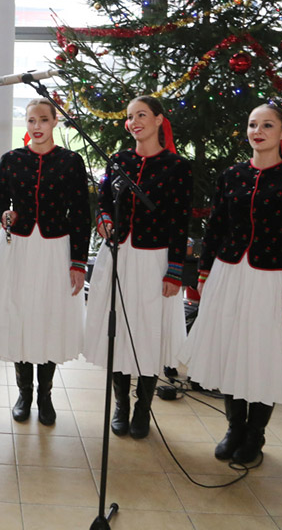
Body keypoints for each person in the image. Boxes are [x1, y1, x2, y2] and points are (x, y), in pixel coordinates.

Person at [180, 104, 282, 466]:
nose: (258, 131)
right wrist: (205, 273)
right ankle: (233, 429)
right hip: (229, 274)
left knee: (262, 354)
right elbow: (216, 228)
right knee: (232, 351)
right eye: (253, 124)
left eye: (267, 125)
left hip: (272, 279)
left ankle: (255, 434)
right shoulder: (232, 176)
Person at [83, 96, 192, 440]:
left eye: (142, 115)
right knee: (117, 330)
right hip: (118, 255)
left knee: (147, 332)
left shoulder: (177, 167)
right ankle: (121, 405)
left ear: (159, 120)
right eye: (130, 117)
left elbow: (180, 222)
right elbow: (103, 200)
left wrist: (174, 270)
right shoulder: (119, 160)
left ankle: (143, 407)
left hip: (153, 258)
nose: (134, 122)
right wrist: (103, 219)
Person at [0, 97, 91, 426]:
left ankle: (45, 395)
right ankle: (24, 393)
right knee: (20, 314)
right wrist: (4, 214)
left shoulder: (71, 161)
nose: (37, 126)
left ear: (55, 121)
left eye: (43, 119)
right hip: (18, 248)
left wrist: (78, 262)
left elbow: (81, 214)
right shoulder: (12, 159)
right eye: (31, 120)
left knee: (47, 317)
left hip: (56, 249)